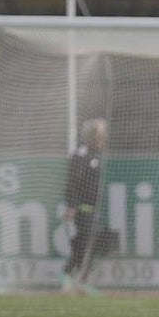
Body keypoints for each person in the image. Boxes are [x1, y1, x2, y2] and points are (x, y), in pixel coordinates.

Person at [61, 118, 111, 294]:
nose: (103, 139)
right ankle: (69, 279)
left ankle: (79, 281)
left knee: (87, 245)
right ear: (91, 136)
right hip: (81, 210)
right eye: (100, 135)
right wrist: (71, 206)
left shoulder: (96, 156)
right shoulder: (81, 155)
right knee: (82, 245)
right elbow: (73, 182)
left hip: (92, 209)